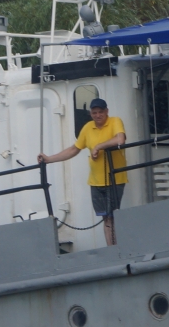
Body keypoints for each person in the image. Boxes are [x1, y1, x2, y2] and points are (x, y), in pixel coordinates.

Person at [38, 97, 128, 246]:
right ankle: (112, 249)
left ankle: (116, 250)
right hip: (95, 181)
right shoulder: (87, 128)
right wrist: (49, 159)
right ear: (91, 114)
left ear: (107, 111)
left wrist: (99, 146)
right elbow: (74, 149)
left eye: (100, 112)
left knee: (112, 216)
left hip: (115, 179)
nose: (98, 115)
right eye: (94, 113)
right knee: (106, 218)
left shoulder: (115, 121)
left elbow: (120, 139)